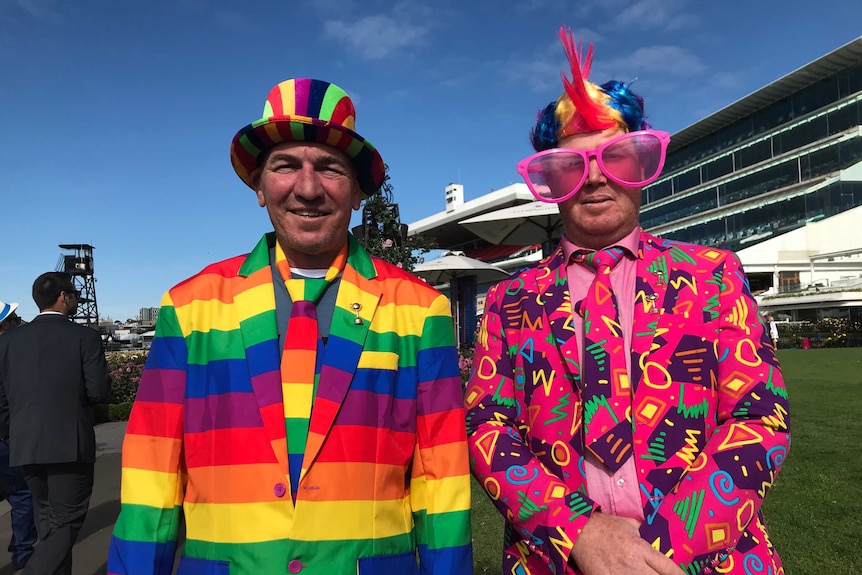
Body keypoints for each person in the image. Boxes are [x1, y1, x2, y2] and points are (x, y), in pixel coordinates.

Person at [108, 78, 472, 575]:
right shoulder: (188, 307)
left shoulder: (420, 311)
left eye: (329, 168)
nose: (307, 187)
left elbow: (442, 482)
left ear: (359, 192)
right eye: (286, 166)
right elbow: (152, 475)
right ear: (259, 186)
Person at [465, 29, 790, 575]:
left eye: (614, 157)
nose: (593, 178)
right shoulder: (509, 299)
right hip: (559, 560)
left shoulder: (713, 277)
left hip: (707, 561)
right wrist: (579, 536)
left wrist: (658, 552)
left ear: (640, 165)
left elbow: (760, 415)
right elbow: (485, 424)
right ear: (552, 180)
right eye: (571, 165)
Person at [0, 274, 112, 574]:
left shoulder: (9, 340)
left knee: (48, 522)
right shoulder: (84, 337)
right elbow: (100, 392)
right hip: (69, 445)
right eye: (75, 294)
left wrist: (13, 432)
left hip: (24, 445)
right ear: (64, 296)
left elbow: (1, 399)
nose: (77, 299)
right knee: (66, 523)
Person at [0, 301, 37, 571]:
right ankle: (23, 551)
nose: (18, 321)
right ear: (4, 324)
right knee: (22, 494)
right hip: (8, 437)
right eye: (15, 317)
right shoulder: (12, 352)